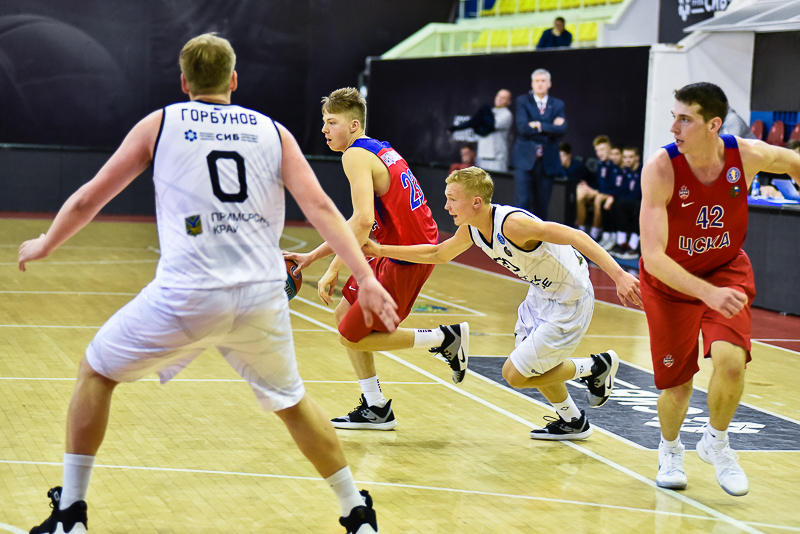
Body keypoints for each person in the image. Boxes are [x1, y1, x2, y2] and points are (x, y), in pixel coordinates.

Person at [19, 34, 401, 534]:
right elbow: (323, 210)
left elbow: (90, 198)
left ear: (183, 82)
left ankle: (70, 513)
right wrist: (365, 276)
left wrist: (46, 242)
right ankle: (357, 512)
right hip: (261, 295)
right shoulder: (274, 132)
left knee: (96, 373)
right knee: (292, 404)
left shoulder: (161, 124)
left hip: (188, 293)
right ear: (234, 80)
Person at [363, 167, 642, 440]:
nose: (446, 206)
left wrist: (618, 275)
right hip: (540, 293)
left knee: (516, 374)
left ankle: (595, 367)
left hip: (571, 298)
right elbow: (438, 253)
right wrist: (380, 250)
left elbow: (576, 236)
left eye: (452, 199)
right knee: (534, 364)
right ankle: (573, 421)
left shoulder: (513, 224)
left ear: (476, 202)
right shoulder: (472, 229)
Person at [640, 82, 800, 496]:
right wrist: (705, 294)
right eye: (674, 117)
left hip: (725, 271)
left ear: (713, 125)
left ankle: (716, 442)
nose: (673, 127)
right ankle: (670, 449)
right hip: (669, 283)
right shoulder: (661, 168)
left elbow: (793, 161)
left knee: (731, 363)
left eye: (685, 119)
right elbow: (653, 256)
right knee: (678, 387)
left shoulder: (745, 155)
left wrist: (713, 291)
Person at [284, 88, 468, 431]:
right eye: (323, 122)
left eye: (331, 122)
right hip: (394, 246)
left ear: (354, 125)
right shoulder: (379, 148)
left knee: (350, 334)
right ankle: (376, 406)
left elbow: (362, 221)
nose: (324, 129)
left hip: (405, 256)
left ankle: (444, 338)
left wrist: (333, 268)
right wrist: (311, 257)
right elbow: (360, 223)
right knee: (344, 315)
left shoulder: (354, 155)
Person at [511, 69, 567, 220]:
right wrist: (550, 127)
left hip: (547, 162)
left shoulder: (558, 104)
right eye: (537, 81)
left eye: (543, 81)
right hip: (524, 161)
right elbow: (523, 128)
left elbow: (561, 129)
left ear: (549, 84)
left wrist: (538, 125)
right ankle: (519, 234)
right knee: (522, 203)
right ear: (532, 84)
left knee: (542, 206)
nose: (540, 84)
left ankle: (538, 235)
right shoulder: (523, 101)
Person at [576, 135, 617, 245]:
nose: (599, 153)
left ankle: (595, 233)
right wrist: (589, 187)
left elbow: (613, 187)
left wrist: (596, 192)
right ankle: (580, 230)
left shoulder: (614, 164)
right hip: (600, 192)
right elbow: (599, 183)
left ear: (609, 148)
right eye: (597, 150)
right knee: (581, 195)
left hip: (610, 194)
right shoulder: (600, 163)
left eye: (602, 149)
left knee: (598, 198)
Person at [608, 147, 642, 260]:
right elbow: (621, 191)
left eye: (630, 157)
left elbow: (637, 193)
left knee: (636, 207)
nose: (627, 160)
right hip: (628, 201)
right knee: (616, 204)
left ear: (637, 157)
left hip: (641, 202)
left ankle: (633, 246)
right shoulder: (626, 172)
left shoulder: (642, 171)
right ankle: (621, 243)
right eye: (625, 157)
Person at [476, 89, 513, 173]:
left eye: (503, 98)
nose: (499, 99)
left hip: (496, 158)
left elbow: (491, 124)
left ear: (509, 102)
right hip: (481, 155)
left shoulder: (507, 114)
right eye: (498, 96)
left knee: (495, 181)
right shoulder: (490, 112)